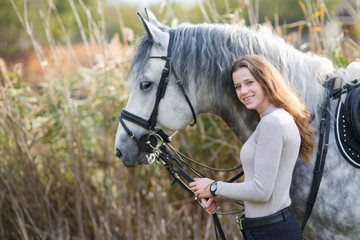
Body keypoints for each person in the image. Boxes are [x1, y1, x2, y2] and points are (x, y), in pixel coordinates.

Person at [189, 55, 316, 240]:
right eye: (238, 87)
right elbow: (265, 189)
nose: (243, 91)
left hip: (271, 232)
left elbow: (262, 191)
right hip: (268, 230)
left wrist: (215, 187)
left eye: (249, 82)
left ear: (266, 81)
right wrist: (221, 195)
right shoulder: (276, 118)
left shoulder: (272, 123)